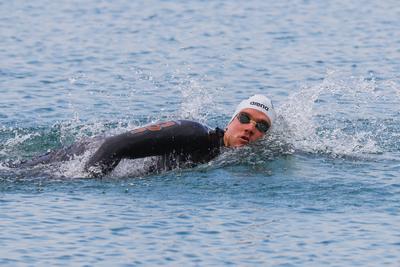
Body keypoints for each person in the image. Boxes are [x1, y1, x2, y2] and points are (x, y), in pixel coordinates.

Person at [19, 94, 276, 177]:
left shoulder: (223, 156)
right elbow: (115, 144)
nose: (251, 127)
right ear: (231, 121)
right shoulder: (193, 133)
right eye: (244, 118)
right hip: (81, 155)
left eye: (261, 126)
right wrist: (85, 179)